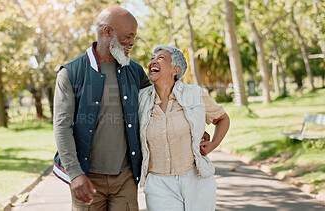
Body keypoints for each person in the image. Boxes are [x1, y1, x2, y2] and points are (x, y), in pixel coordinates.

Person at [52, 6, 151, 210]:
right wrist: (75, 174)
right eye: (128, 36)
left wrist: (192, 126)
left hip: (125, 178)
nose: (132, 42)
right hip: (86, 178)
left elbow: (160, 105)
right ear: (108, 32)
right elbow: (62, 127)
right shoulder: (71, 73)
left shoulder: (135, 72)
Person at [138, 45, 230, 211]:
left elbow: (222, 118)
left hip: (195, 178)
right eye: (152, 58)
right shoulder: (141, 99)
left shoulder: (195, 94)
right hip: (158, 183)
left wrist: (213, 144)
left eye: (160, 58)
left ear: (175, 69)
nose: (153, 61)